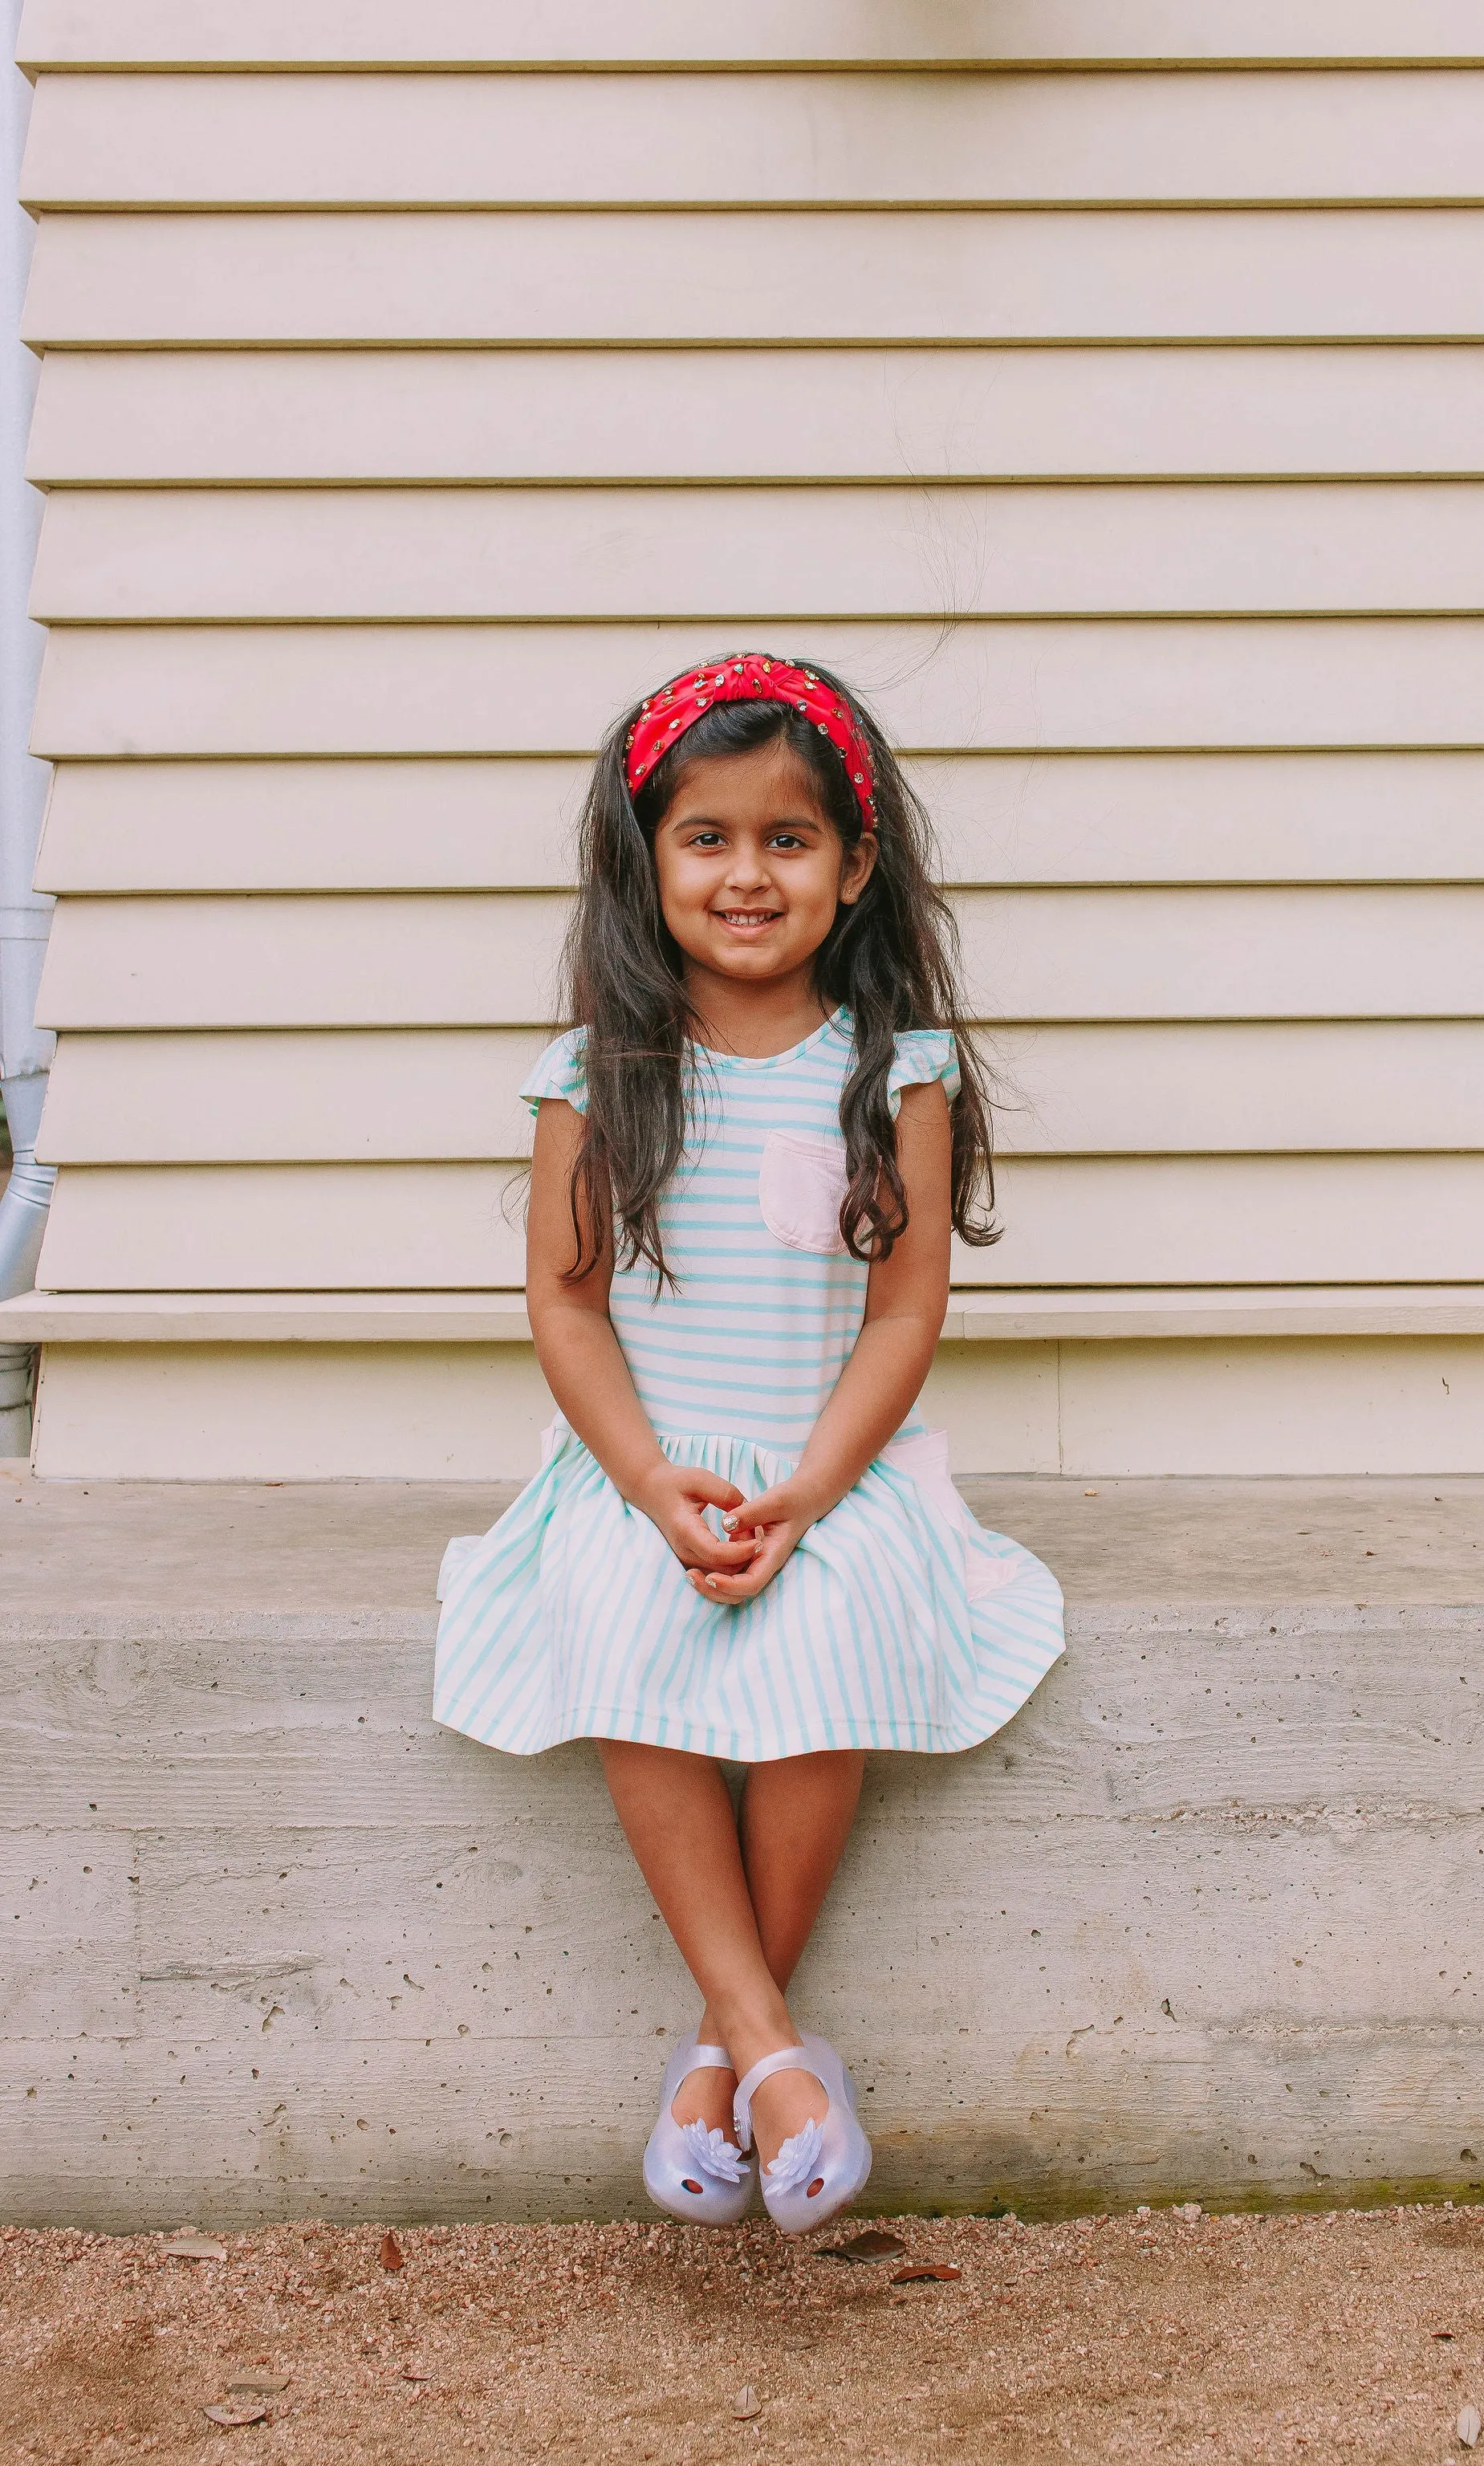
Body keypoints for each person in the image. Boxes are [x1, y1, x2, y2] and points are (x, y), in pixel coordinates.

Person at [434, 653, 1063, 2234]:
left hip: (832, 1459)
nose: (745, 872)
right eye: (704, 836)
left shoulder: (893, 1070)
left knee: (830, 1625)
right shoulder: (595, 1075)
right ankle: (781, 2053)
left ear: (854, 867)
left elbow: (902, 1316)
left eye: (787, 839)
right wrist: (650, 1487)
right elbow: (568, 1311)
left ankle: (723, 2057)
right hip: (639, 1469)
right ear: (645, 863)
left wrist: (811, 1490)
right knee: (625, 1620)